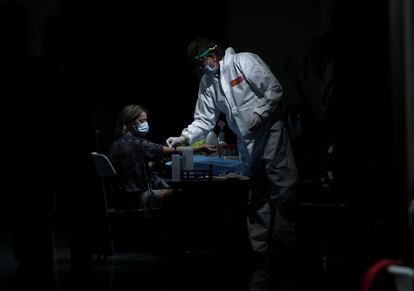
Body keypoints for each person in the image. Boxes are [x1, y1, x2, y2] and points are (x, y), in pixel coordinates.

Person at [166, 37, 299, 261]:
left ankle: (285, 247)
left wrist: (260, 114)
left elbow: (274, 90)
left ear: (213, 55)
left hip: (270, 133)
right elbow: (204, 119)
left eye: (202, 63)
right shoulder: (207, 83)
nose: (200, 69)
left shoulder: (243, 61)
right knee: (257, 194)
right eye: (196, 67)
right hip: (246, 141)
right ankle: (260, 252)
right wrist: (183, 137)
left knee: (282, 189)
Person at [109, 104, 216, 210]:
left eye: (145, 121)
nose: (145, 124)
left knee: (163, 183)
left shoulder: (116, 143)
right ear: (129, 123)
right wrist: (201, 148)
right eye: (141, 122)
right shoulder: (137, 143)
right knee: (179, 193)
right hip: (133, 199)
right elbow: (168, 151)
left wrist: (150, 165)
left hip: (117, 198)